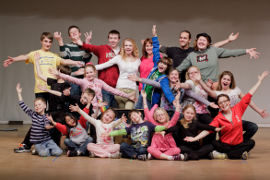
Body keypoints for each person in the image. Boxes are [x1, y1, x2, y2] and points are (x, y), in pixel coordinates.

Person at [184, 71, 268, 160]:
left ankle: (228, 155)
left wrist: (260, 81)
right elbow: (208, 130)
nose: (223, 104)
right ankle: (238, 153)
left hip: (237, 143)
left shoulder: (237, 109)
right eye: (220, 103)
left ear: (229, 102)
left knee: (251, 142)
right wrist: (194, 138)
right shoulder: (218, 118)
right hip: (226, 144)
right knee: (215, 143)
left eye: (225, 101)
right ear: (218, 105)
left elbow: (249, 95)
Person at [3, 32, 84, 103]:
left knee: (52, 112)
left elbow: (64, 61)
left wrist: (75, 62)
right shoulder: (35, 53)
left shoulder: (54, 56)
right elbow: (24, 56)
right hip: (40, 88)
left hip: (53, 88)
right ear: (41, 41)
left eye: (50, 42)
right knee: (41, 112)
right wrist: (14, 59)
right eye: (45, 41)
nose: (48, 44)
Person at [194, 70, 269, 140]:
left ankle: (241, 145)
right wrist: (200, 81)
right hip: (223, 121)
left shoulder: (235, 90)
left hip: (235, 119)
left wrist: (259, 111)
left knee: (253, 127)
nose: (226, 81)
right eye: (224, 79)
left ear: (231, 82)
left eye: (228, 80)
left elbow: (247, 99)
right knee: (224, 140)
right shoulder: (217, 92)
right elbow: (208, 91)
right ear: (221, 80)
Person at [176, 33, 259, 89]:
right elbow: (180, 68)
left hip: (215, 84)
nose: (201, 41)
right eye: (200, 40)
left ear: (208, 43)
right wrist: (171, 76)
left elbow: (230, 53)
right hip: (200, 86)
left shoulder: (213, 50)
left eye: (204, 40)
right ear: (196, 41)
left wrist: (246, 51)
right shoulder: (192, 55)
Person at [128, 68, 218, 118]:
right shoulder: (164, 86)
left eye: (176, 74)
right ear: (168, 76)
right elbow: (152, 83)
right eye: (172, 74)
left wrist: (209, 103)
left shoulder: (182, 88)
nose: (174, 76)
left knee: (179, 124)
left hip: (176, 111)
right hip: (165, 111)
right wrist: (139, 79)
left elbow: (196, 96)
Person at [49, 63, 136, 112]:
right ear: (85, 74)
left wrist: (128, 96)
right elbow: (70, 78)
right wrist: (59, 74)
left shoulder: (100, 82)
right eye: (87, 73)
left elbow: (113, 90)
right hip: (88, 108)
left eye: (91, 72)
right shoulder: (83, 81)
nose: (89, 74)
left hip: (100, 108)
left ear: (95, 72)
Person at [160, 31, 239, 82]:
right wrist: (151, 42)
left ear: (189, 40)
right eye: (180, 38)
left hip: (190, 82)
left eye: (185, 38)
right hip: (176, 80)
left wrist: (228, 40)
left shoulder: (194, 51)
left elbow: (212, 48)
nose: (182, 39)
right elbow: (159, 47)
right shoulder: (174, 50)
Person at [73, 30, 121, 108]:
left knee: (115, 111)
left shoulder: (122, 52)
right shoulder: (102, 48)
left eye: (115, 38)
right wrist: (80, 42)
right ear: (108, 39)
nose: (113, 40)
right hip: (105, 86)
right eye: (111, 38)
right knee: (105, 110)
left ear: (119, 39)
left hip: (118, 86)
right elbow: (90, 47)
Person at [133, 25, 175, 109]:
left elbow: (167, 91)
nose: (161, 65)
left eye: (164, 64)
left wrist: (173, 100)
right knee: (136, 112)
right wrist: (155, 37)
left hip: (150, 99)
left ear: (167, 67)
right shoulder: (156, 66)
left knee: (146, 116)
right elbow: (155, 50)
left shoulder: (164, 78)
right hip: (143, 93)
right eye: (161, 63)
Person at [16, 83, 62, 157]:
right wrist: (19, 93)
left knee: (58, 152)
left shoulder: (47, 116)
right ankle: (38, 150)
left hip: (47, 140)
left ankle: (44, 149)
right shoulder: (33, 114)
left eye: (39, 104)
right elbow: (22, 105)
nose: (37, 106)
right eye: (36, 105)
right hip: (38, 142)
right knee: (45, 154)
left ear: (44, 106)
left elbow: (46, 125)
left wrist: (48, 127)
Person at [101, 109, 167, 161]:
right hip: (134, 148)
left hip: (143, 148)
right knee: (123, 145)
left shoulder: (148, 124)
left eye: (134, 115)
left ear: (139, 113)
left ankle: (132, 155)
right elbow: (120, 131)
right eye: (132, 118)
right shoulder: (131, 127)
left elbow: (157, 128)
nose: (134, 118)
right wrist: (109, 134)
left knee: (142, 150)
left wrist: (165, 126)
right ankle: (137, 156)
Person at [35, 52, 71, 145]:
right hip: (51, 110)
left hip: (60, 111)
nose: (54, 71)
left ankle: (55, 143)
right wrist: (37, 61)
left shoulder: (66, 84)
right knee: (40, 123)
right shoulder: (53, 81)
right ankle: (35, 144)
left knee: (56, 125)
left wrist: (47, 90)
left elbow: (60, 94)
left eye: (57, 70)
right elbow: (39, 74)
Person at [94, 38, 141, 109]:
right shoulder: (119, 58)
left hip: (132, 90)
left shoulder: (138, 60)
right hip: (120, 89)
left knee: (128, 111)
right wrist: (88, 68)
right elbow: (104, 65)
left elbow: (144, 72)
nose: (128, 47)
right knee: (122, 114)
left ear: (133, 47)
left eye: (130, 45)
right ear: (123, 47)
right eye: (126, 45)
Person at [142, 90, 187, 161]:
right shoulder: (154, 124)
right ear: (155, 118)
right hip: (156, 147)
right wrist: (144, 98)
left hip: (168, 147)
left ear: (165, 115)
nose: (160, 116)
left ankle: (157, 156)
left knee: (177, 150)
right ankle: (169, 158)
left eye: (162, 114)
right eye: (158, 115)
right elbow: (147, 113)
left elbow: (177, 114)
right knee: (149, 149)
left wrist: (177, 100)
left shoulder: (170, 123)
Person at [54, 25, 92, 96]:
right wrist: (60, 40)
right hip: (73, 78)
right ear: (70, 36)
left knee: (87, 99)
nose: (74, 33)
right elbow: (65, 57)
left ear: (80, 33)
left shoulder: (86, 45)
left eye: (75, 31)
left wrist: (86, 43)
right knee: (73, 99)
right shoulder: (67, 46)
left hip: (86, 78)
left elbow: (87, 57)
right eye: (71, 32)